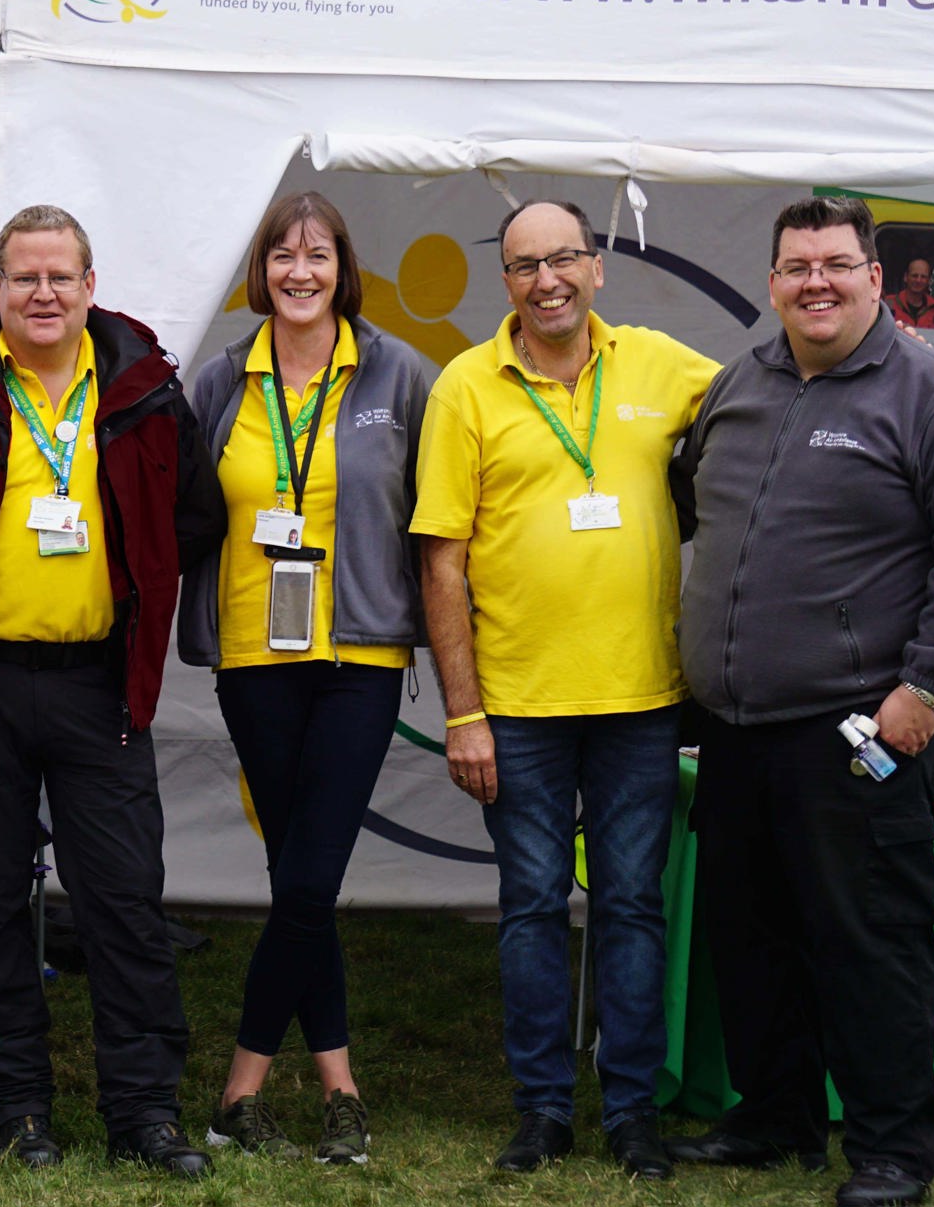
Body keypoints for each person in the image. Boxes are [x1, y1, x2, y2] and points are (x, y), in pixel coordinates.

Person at [0, 204, 225, 1178]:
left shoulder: (142, 391)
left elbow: (197, 514)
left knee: (124, 903)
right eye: (25, 277)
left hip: (99, 687)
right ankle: (18, 1104)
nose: (44, 293)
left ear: (91, 286)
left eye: (60, 276)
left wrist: (137, 575)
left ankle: (143, 1112)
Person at [668, 196, 934, 1207]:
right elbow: (696, 499)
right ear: (772, 282)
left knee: (870, 943)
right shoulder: (743, 380)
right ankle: (775, 1119)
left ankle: (891, 1150)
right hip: (736, 732)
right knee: (752, 939)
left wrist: (922, 687)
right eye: (794, 267)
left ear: (875, 275)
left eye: (833, 263)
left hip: (859, 734)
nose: (812, 282)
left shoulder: (931, 398)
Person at [410, 200, 717, 1181]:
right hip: (516, 708)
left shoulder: (662, 366)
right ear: (503, 281)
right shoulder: (464, 388)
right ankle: (541, 1110)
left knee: (631, 907)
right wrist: (462, 712)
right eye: (522, 264)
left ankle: (631, 1112)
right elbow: (442, 565)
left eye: (563, 259)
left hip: (637, 701)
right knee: (534, 909)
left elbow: (780, 398)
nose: (545, 279)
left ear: (598, 267)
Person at [177, 191, 432, 1166]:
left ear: (343, 267)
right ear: (261, 270)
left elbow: (439, 506)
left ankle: (238, 1092)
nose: (298, 272)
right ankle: (338, 1088)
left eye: (317, 254)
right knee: (300, 880)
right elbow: (183, 507)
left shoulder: (399, 373)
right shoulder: (218, 384)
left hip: (358, 654)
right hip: (253, 655)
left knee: (310, 873)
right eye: (281, 255)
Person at [888, 260, 934, 327]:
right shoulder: (888, 304)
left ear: (929, 281)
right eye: (914, 276)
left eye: (923, 277)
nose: (918, 280)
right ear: (905, 277)